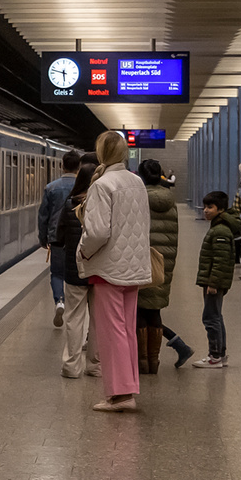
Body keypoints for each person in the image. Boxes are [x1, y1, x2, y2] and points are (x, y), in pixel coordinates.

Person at [77, 131, 152, 412]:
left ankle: (120, 395)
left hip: (109, 269)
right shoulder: (136, 182)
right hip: (133, 267)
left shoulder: (102, 185)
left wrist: (83, 251)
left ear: (101, 154)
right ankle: (128, 388)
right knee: (127, 330)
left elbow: (97, 232)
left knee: (111, 332)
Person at [136, 159, 196, 371]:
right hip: (164, 260)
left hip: (142, 259)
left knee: (139, 311)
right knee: (154, 309)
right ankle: (154, 361)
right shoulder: (171, 200)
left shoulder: (139, 198)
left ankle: (142, 361)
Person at [54, 164, 98, 379]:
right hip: (99, 272)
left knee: (74, 319)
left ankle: (72, 366)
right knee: (98, 321)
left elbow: (59, 237)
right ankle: (95, 366)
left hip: (74, 271)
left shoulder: (70, 204)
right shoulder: (104, 205)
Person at [192, 190, 241, 368]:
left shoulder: (220, 230)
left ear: (220, 209)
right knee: (216, 316)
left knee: (211, 317)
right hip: (213, 280)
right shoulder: (218, 226)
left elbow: (220, 261)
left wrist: (212, 283)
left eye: (210, 207)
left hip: (214, 282)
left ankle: (214, 356)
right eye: (205, 206)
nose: (205, 210)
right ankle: (220, 354)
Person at [38, 151, 83, 326]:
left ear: (62, 166)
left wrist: (43, 238)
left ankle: (60, 301)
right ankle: (74, 308)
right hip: (78, 238)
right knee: (77, 275)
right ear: (79, 166)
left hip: (57, 238)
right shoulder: (84, 187)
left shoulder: (51, 188)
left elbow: (43, 216)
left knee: (57, 273)